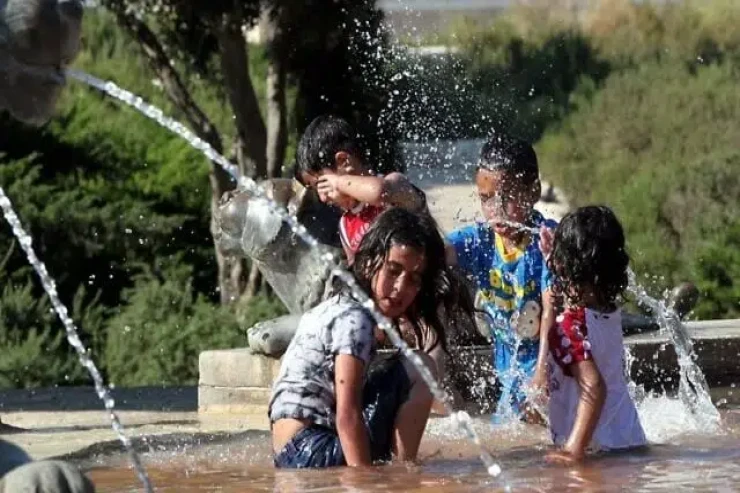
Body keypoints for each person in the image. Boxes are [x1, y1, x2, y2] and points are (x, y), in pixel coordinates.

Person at [268, 208, 475, 468]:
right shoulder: (355, 320)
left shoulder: (340, 306)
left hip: (292, 451)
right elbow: (348, 414)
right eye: (393, 270)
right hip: (313, 450)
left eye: (413, 279)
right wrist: (364, 483)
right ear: (368, 263)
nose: (400, 287)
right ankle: (404, 469)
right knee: (421, 367)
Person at [446, 135, 557, 423]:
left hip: (550, 371)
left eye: (507, 199)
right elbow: (429, 251)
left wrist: (542, 372)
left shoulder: (547, 241)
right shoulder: (480, 241)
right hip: (511, 382)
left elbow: (553, 310)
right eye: (486, 199)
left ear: (534, 191)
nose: (496, 211)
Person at [541, 206, 647, 464]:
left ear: (563, 265)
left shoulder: (566, 327)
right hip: (629, 439)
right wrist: (558, 259)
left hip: (598, 451)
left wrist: (572, 449)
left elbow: (593, 386)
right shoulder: (607, 311)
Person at [294, 114, 426, 265]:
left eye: (323, 184)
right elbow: (356, 275)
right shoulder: (345, 227)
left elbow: (378, 192)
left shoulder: (395, 185)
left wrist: (338, 182)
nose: (323, 198)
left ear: (343, 161)